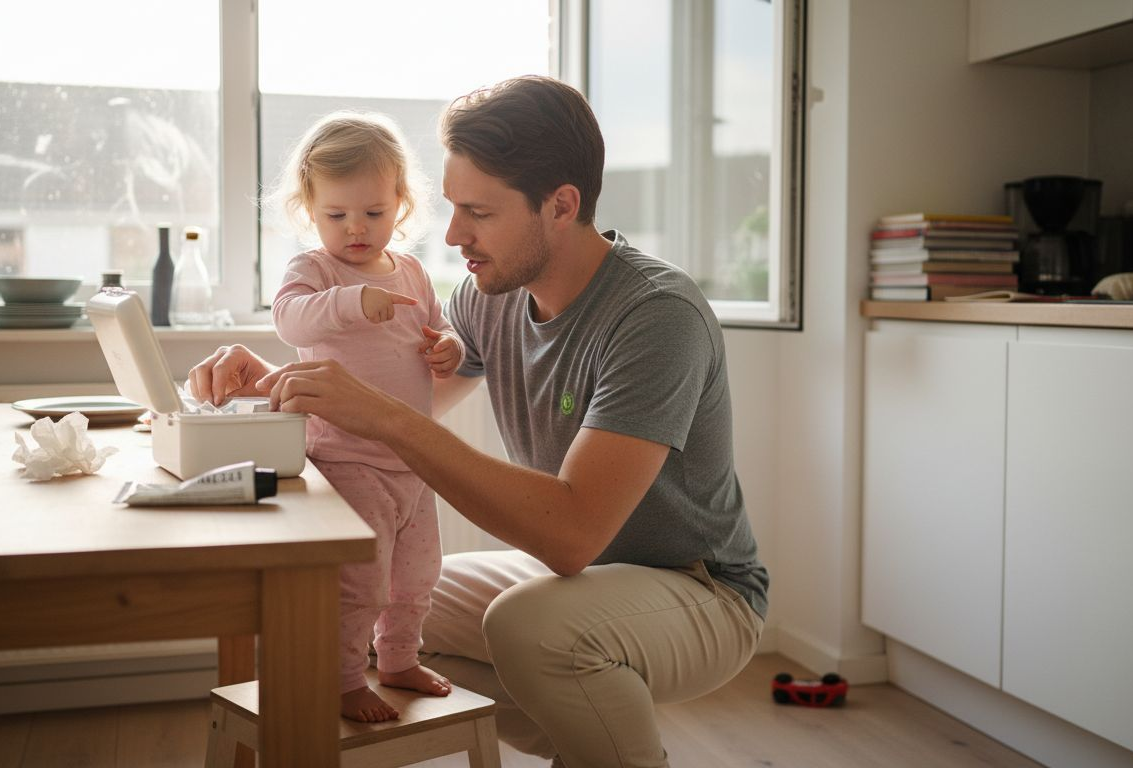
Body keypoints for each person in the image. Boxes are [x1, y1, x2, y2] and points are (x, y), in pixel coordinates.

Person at [190, 76, 769, 768]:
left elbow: (572, 535)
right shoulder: (487, 297)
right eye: (454, 208)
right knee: (392, 607)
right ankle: (605, 749)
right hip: (586, 582)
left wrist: (386, 417)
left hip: (700, 589)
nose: (455, 234)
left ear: (561, 206)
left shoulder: (654, 316)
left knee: (531, 627)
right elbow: (390, 394)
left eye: (480, 213)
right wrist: (275, 383)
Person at [262, 111, 464, 722]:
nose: (355, 229)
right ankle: (345, 677)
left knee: (417, 576)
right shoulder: (315, 271)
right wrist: (353, 301)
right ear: (309, 208)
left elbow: (434, 329)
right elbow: (289, 321)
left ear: (400, 204)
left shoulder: (412, 271)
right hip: (346, 460)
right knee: (359, 583)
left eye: (373, 214)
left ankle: (398, 658)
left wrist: (447, 345)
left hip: (413, 461)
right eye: (336, 216)